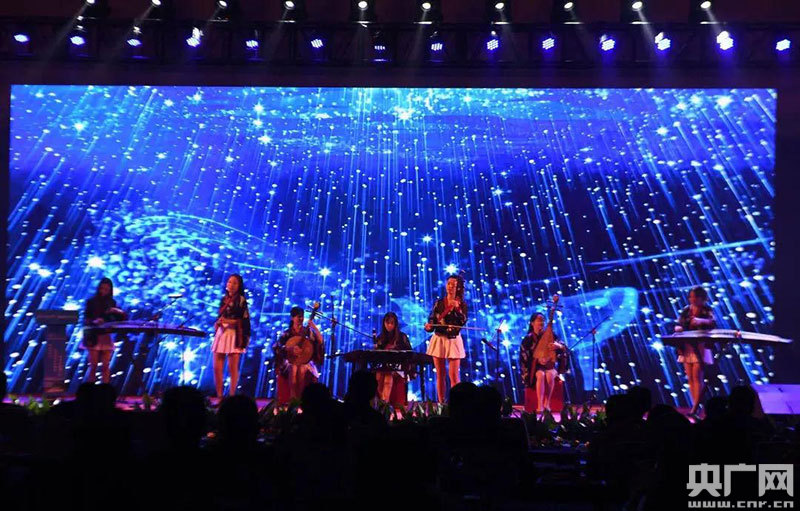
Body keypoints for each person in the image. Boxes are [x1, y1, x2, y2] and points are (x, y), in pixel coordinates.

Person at [425, 275, 468, 403]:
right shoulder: (439, 303)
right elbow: (432, 319)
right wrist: (429, 326)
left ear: (458, 288)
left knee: (453, 375)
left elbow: (463, 321)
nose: (450, 287)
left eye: (453, 285)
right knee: (440, 374)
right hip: (439, 338)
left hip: (453, 340)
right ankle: (441, 403)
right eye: (449, 283)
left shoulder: (462, 304)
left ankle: (457, 404)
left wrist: (457, 309)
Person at [674, 286, 716, 417]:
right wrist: (678, 328)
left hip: (701, 345)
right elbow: (680, 323)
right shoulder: (686, 310)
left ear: (702, 298)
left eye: (695, 297)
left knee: (697, 376)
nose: (692, 299)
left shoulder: (706, 309)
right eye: (691, 297)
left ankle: (697, 407)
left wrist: (701, 321)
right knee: (690, 377)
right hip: (687, 345)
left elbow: (712, 322)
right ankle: (694, 405)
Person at [212, 274, 251, 399]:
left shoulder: (241, 300)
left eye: (235, 283)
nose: (231, 285)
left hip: (234, 334)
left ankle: (232, 396)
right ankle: (219, 396)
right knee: (216, 367)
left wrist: (228, 321)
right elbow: (220, 316)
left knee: (232, 368)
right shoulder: (223, 299)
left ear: (239, 286)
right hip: (221, 333)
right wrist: (218, 322)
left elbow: (244, 320)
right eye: (229, 282)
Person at [519, 312, 565, 414]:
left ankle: (547, 403)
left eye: (543, 320)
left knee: (550, 374)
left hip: (550, 366)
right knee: (540, 374)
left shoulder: (551, 335)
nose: (542, 322)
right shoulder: (528, 339)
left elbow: (564, 347)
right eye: (539, 320)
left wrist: (558, 346)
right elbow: (524, 356)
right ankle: (540, 405)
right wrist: (537, 360)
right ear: (532, 323)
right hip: (534, 368)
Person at [83, 277, 127, 384]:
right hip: (93, 335)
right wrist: (94, 321)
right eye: (102, 288)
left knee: (106, 365)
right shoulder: (91, 301)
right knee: (93, 365)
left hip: (105, 334)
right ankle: (90, 389)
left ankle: (105, 388)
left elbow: (117, 319)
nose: (103, 291)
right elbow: (86, 319)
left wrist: (118, 312)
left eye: (106, 289)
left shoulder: (112, 302)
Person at [275, 306, 324, 401]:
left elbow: (320, 340)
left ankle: (300, 398)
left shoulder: (307, 331)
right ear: (292, 318)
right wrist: (290, 349)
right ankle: (293, 397)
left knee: (301, 369)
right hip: (290, 361)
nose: (301, 319)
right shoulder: (287, 333)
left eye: (302, 316)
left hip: (305, 361)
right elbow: (278, 347)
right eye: (298, 316)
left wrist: (313, 327)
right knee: (293, 368)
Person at [373, 311, 412, 403]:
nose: (389, 325)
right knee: (378, 376)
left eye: (392, 323)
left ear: (395, 324)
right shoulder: (380, 337)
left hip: (398, 365)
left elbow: (409, 353)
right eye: (387, 323)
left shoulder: (402, 336)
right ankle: (381, 400)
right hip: (383, 365)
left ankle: (385, 403)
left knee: (388, 375)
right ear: (384, 323)